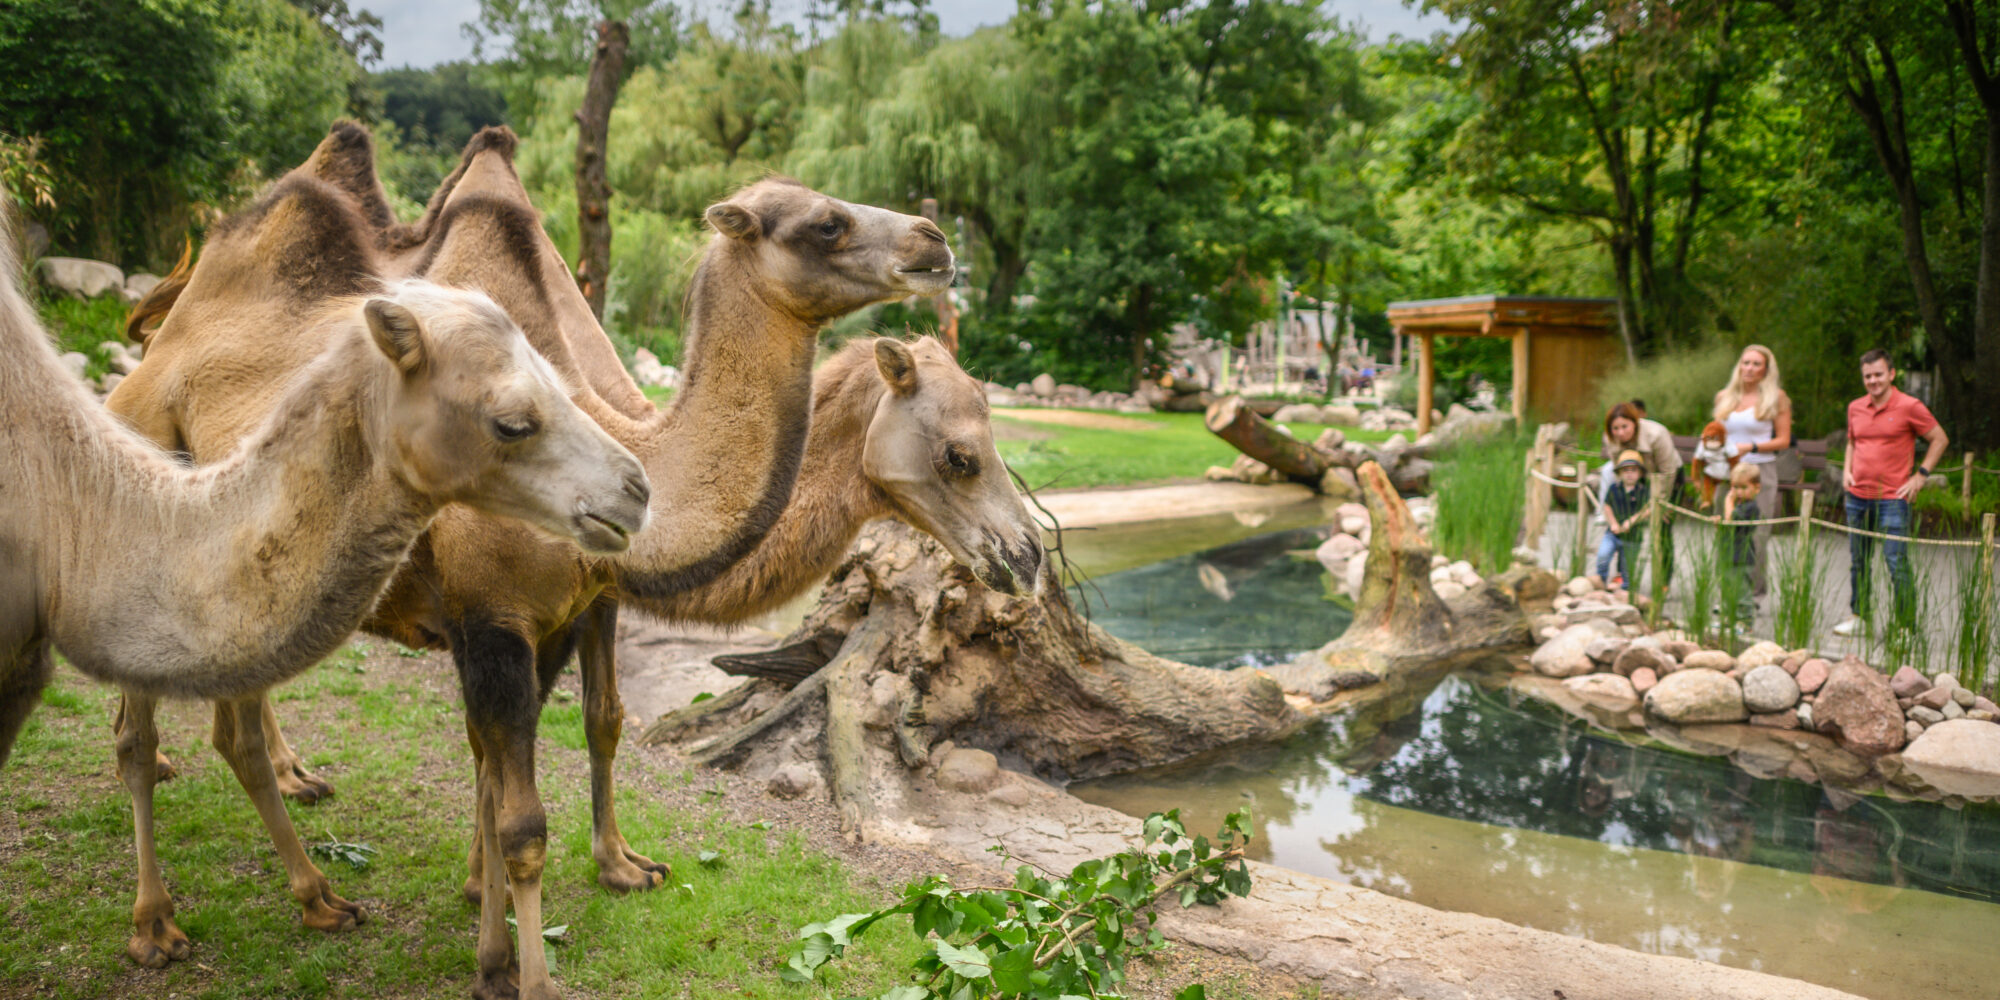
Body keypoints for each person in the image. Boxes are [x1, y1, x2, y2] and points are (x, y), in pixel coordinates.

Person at [1832, 349, 1949, 637]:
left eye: (1878, 374)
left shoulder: (1910, 406)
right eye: (1867, 376)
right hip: (1857, 497)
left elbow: (1939, 439)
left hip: (1892, 500)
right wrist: (1847, 471)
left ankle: (1906, 626)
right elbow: (1852, 442)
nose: (1873, 381)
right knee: (1858, 561)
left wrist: (1920, 476)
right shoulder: (1855, 407)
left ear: (1891, 374)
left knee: (1896, 562)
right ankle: (1860, 617)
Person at [1712, 345, 1792, 594]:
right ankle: (1726, 591)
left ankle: (1751, 595)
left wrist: (1752, 446)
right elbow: (1716, 434)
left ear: (1766, 370)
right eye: (1746, 362)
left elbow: (1783, 440)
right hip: (1728, 470)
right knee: (1725, 527)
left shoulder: (1776, 397)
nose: (1749, 368)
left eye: (1756, 364)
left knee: (1756, 533)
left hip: (1759, 470)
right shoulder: (1724, 396)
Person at [1596, 450, 1651, 587]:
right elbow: (1607, 506)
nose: (1629, 473)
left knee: (1628, 568)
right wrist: (1613, 523)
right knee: (1603, 556)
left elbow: (1647, 509)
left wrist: (1632, 521)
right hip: (1613, 533)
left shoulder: (1643, 491)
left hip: (1632, 537)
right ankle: (1600, 581)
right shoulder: (1614, 488)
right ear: (1619, 473)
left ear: (1640, 473)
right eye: (1625, 470)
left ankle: (1626, 589)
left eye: (1633, 470)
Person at [1722, 463, 1762, 620]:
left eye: (1744, 487)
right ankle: (1730, 618)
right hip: (1729, 555)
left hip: (1742, 557)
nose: (1738, 492)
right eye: (1735, 487)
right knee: (1729, 588)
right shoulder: (1739, 506)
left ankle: (1745, 621)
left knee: (1742, 591)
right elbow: (1727, 526)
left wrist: (1728, 501)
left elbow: (1731, 520)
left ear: (1757, 488)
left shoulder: (1750, 507)